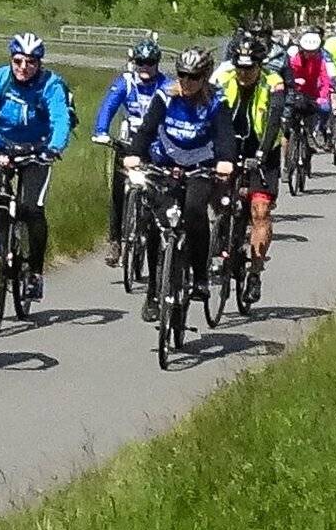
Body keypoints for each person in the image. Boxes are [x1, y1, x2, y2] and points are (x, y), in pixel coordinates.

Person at [123, 48, 237, 321]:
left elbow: (225, 136)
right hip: (165, 164)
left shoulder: (216, 101)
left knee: (195, 211)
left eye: (194, 77)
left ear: (205, 76)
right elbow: (147, 129)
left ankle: (199, 277)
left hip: (200, 166)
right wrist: (135, 154)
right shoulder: (165, 96)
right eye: (183, 76)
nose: (187, 82)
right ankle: (153, 291)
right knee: (154, 223)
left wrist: (226, 160)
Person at [0, 33, 72, 302]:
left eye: (30, 62)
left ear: (39, 63)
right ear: (11, 59)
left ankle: (35, 273)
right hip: (2, 145)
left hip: (37, 149)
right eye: (18, 61)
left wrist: (54, 147)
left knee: (31, 209)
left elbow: (60, 118)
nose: (23, 67)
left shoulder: (50, 85)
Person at [216, 38, 285, 302]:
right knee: (218, 198)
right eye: (240, 68)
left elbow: (274, 118)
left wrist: (262, 153)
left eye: (250, 68)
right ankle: (220, 242)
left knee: (260, 211)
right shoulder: (224, 78)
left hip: (263, 151)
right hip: (229, 148)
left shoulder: (273, 81)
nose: (244, 74)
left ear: (260, 65)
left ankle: (254, 272)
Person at [91, 39, 167, 267]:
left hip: (154, 145)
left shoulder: (165, 85)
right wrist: (101, 131)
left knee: (158, 191)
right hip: (128, 144)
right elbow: (108, 106)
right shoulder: (126, 82)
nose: (145, 67)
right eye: (140, 62)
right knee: (118, 192)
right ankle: (115, 241)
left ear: (157, 63)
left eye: (150, 62)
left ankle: (159, 235)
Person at [285, 28, 334, 148]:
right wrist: (294, 81)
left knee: (325, 108)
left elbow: (325, 79)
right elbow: (286, 74)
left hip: (312, 94)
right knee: (287, 120)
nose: (310, 54)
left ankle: (316, 132)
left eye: (313, 52)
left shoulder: (320, 61)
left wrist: (324, 96)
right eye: (307, 51)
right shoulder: (293, 59)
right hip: (294, 92)